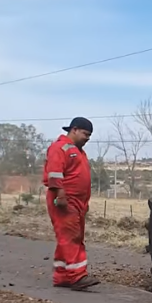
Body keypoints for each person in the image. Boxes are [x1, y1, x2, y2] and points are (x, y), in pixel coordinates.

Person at [43, 117, 100, 290]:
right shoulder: (60, 147)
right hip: (64, 200)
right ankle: (77, 277)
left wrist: (84, 203)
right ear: (74, 130)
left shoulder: (79, 151)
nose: (87, 138)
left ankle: (62, 275)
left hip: (78, 202)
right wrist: (60, 195)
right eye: (85, 134)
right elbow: (55, 173)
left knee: (69, 237)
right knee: (70, 237)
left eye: (90, 135)